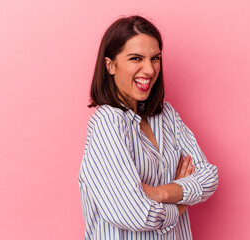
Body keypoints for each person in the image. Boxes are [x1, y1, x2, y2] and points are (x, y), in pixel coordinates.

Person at [78, 15, 218, 239]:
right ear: (110, 65)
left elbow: (209, 177)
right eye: (136, 58)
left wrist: (159, 192)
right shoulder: (107, 122)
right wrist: (181, 200)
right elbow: (135, 213)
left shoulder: (167, 116)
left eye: (155, 58)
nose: (150, 70)